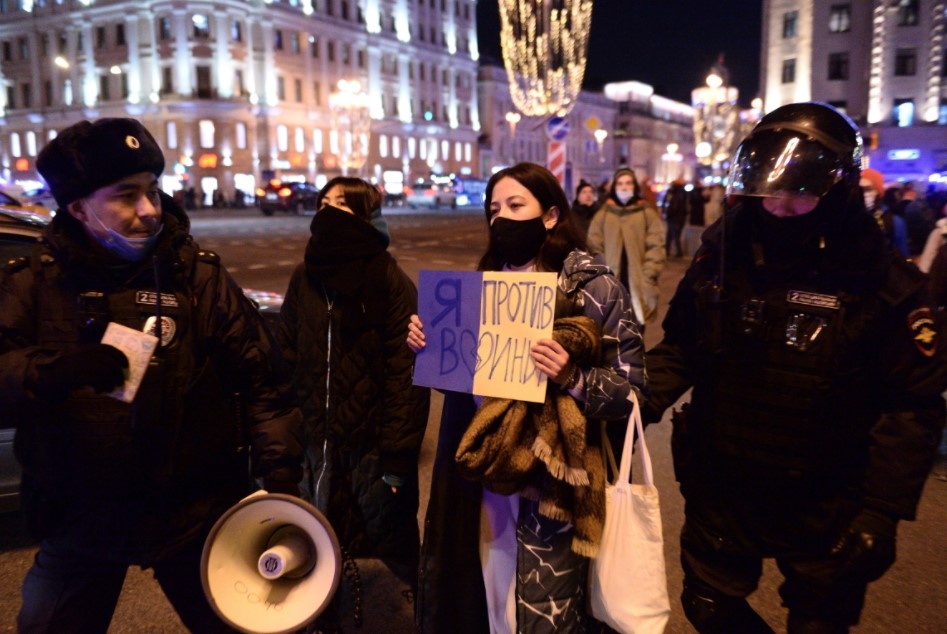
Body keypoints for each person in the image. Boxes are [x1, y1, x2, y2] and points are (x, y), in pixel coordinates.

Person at [643, 102, 947, 633]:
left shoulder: (881, 277)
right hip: (725, 480)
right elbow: (680, 349)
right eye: (770, 191)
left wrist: (882, 511)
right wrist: (627, 400)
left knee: (818, 624)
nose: (778, 207)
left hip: (826, 495)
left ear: (837, 192)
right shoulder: (722, 251)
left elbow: (913, 406)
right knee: (708, 606)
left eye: (799, 194)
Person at [0, 118, 304, 632]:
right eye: (126, 195)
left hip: (192, 515)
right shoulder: (34, 281)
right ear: (78, 207)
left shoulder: (196, 274)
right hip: (80, 521)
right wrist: (60, 368)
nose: (148, 210)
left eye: (152, 191)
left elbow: (264, 384)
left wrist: (278, 479)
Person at [408, 162, 645, 632]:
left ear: (551, 215)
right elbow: (470, 380)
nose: (502, 219)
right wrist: (430, 347)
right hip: (487, 475)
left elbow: (634, 391)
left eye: (517, 206)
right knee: (493, 602)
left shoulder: (594, 288)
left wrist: (573, 376)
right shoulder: (485, 281)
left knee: (546, 608)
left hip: (553, 484)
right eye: (494, 209)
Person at [275, 176, 430, 629]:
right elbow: (285, 351)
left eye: (339, 205)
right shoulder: (305, 276)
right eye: (323, 203)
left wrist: (398, 456)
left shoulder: (388, 279)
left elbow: (407, 375)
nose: (327, 211)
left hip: (371, 452)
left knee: (381, 560)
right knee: (311, 554)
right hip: (312, 447)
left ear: (364, 215)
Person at [587, 167, 666, 326]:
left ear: (635, 187)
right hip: (611, 282)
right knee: (611, 330)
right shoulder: (603, 214)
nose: (624, 187)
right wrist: (602, 271)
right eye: (620, 183)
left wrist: (649, 273)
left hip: (638, 282)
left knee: (636, 330)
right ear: (614, 187)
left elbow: (656, 245)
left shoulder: (646, 213)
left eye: (628, 183)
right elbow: (594, 245)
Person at [861, 167, 909, 257]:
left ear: (878, 192)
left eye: (868, 189)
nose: (862, 194)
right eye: (858, 190)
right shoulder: (844, 219)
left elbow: (903, 256)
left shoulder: (894, 222)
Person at [661, 178, 689, 258]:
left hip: (674, 216)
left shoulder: (675, 192)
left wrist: (666, 212)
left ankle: (674, 251)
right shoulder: (681, 192)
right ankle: (669, 251)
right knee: (672, 234)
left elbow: (671, 205)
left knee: (674, 234)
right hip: (677, 217)